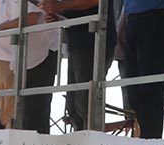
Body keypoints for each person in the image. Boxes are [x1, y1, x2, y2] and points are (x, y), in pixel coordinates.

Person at [38, 0, 117, 131]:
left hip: (94, 41)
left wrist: (59, 6)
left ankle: (93, 144)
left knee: (86, 102)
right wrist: (57, 15)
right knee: (73, 105)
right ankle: (81, 142)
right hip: (77, 41)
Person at [0, 0, 59, 133]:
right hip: (15, 59)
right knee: (12, 116)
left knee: (27, 116)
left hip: (34, 58)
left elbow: (31, 17)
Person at [121, 0, 164, 139]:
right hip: (133, 19)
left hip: (158, 18)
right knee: (134, 94)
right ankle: (148, 139)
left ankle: (152, 142)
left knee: (150, 90)